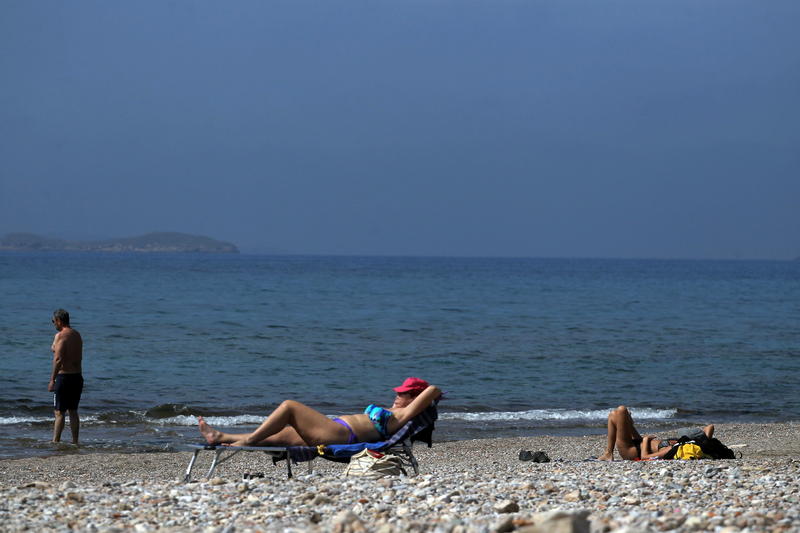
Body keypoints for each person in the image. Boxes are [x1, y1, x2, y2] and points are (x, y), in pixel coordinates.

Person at [199, 377, 440, 447]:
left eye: (403, 393)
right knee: (279, 435)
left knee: (289, 406)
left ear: (414, 398)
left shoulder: (402, 415)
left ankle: (248, 440)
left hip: (340, 435)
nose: (397, 395)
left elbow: (433, 389)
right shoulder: (394, 410)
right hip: (335, 428)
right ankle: (220, 437)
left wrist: (420, 398)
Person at [598, 405, 714, 460]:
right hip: (638, 442)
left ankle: (609, 453)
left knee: (621, 410)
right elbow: (710, 427)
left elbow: (645, 457)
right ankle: (608, 453)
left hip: (632, 451)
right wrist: (704, 440)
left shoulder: (675, 448)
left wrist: (646, 440)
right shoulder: (688, 443)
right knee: (615, 414)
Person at [48, 309, 84, 444]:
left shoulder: (61, 335)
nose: (53, 324)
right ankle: (75, 441)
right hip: (77, 377)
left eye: (53, 321)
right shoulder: (77, 334)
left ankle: (55, 441)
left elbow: (58, 359)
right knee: (73, 411)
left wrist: (52, 379)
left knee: (59, 412)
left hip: (64, 378)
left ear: (59, 321)